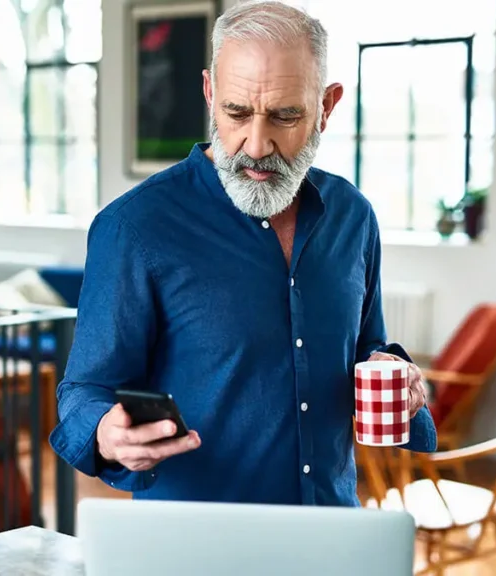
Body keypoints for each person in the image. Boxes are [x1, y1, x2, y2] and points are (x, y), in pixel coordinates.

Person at [49, 0, 436, 506]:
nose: (256, 144)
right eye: (236, 112)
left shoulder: (353, 217)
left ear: (327, 106)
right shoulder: (135, 228)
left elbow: (366, 349)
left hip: (331, 535)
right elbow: (84, 391)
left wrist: (401, 382)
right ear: (210, 94)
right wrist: (105, 431)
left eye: (285, 115)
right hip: (198, 547)